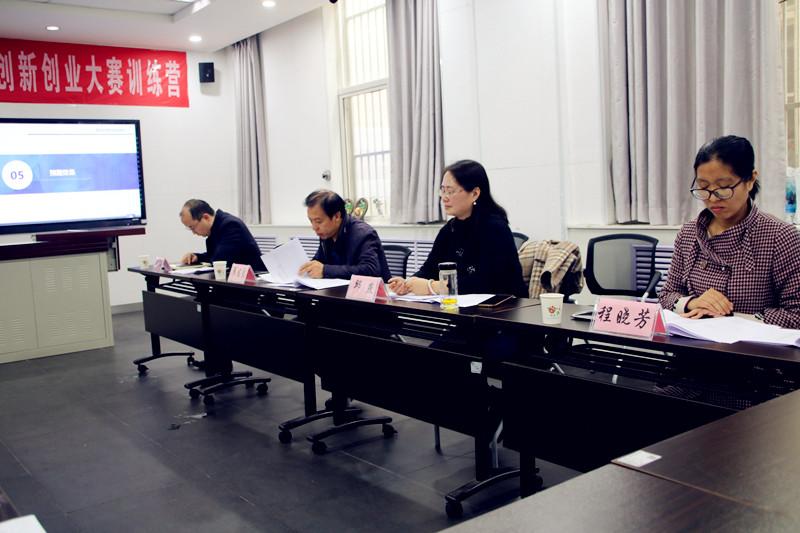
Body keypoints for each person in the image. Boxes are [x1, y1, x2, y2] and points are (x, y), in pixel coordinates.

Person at [658, 135, 800, 329]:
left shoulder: (780, 236)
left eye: (724, 188)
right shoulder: (689, 233)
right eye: (704, 187)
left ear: (750, 180)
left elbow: (796, 314)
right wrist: (693, 303)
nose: (713, 198)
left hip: (753, 346)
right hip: (693, 343)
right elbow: (666, 295)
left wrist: (730, 317)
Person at [388, 160, 527, 298]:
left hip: (505, 307)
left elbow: (487, 282)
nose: (444, 198)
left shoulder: (495, 228)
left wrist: (433, 287)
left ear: (475, 194)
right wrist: (408, 283)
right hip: (463, 305)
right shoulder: (450, 229)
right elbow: (429, 269)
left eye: (450, 191)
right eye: (443, 191)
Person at [300, 190, 391, 280]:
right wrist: (308, 268)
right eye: (311, 221)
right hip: (339, 288)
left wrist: (325, 271)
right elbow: (319, 261)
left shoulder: (363, 233)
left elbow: (370, 270)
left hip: (371, 288)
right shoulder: (326, 233)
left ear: (337, 216)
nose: (314, 227)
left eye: (318, 221)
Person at [180, 199, 266, 271]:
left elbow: (219, 261)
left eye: (193, 227)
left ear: (206, 218)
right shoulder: (217, 226)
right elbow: (215, 255)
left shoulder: (231, 225)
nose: (194, 232)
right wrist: (197, 257)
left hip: (253, 281)